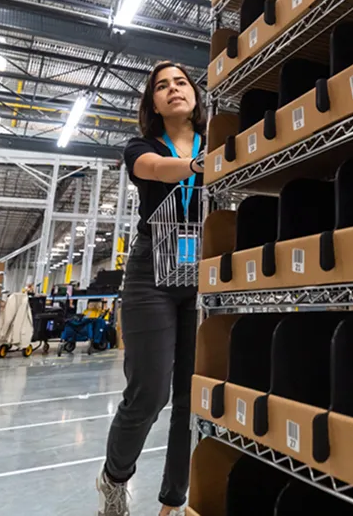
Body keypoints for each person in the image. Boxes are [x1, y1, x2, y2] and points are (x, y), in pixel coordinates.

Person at [97, 62, 206, 516]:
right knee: (149, 392)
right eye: (162, 86)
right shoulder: (140, 146)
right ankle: (114, 478)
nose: (173, 89)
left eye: (180, 82)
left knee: (190, 396)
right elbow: (158, 170)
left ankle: (172, 500)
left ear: (195, 93)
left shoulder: (218, 140)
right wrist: (199, 165)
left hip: (204, 267)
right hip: (151, 272)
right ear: (153, 104)